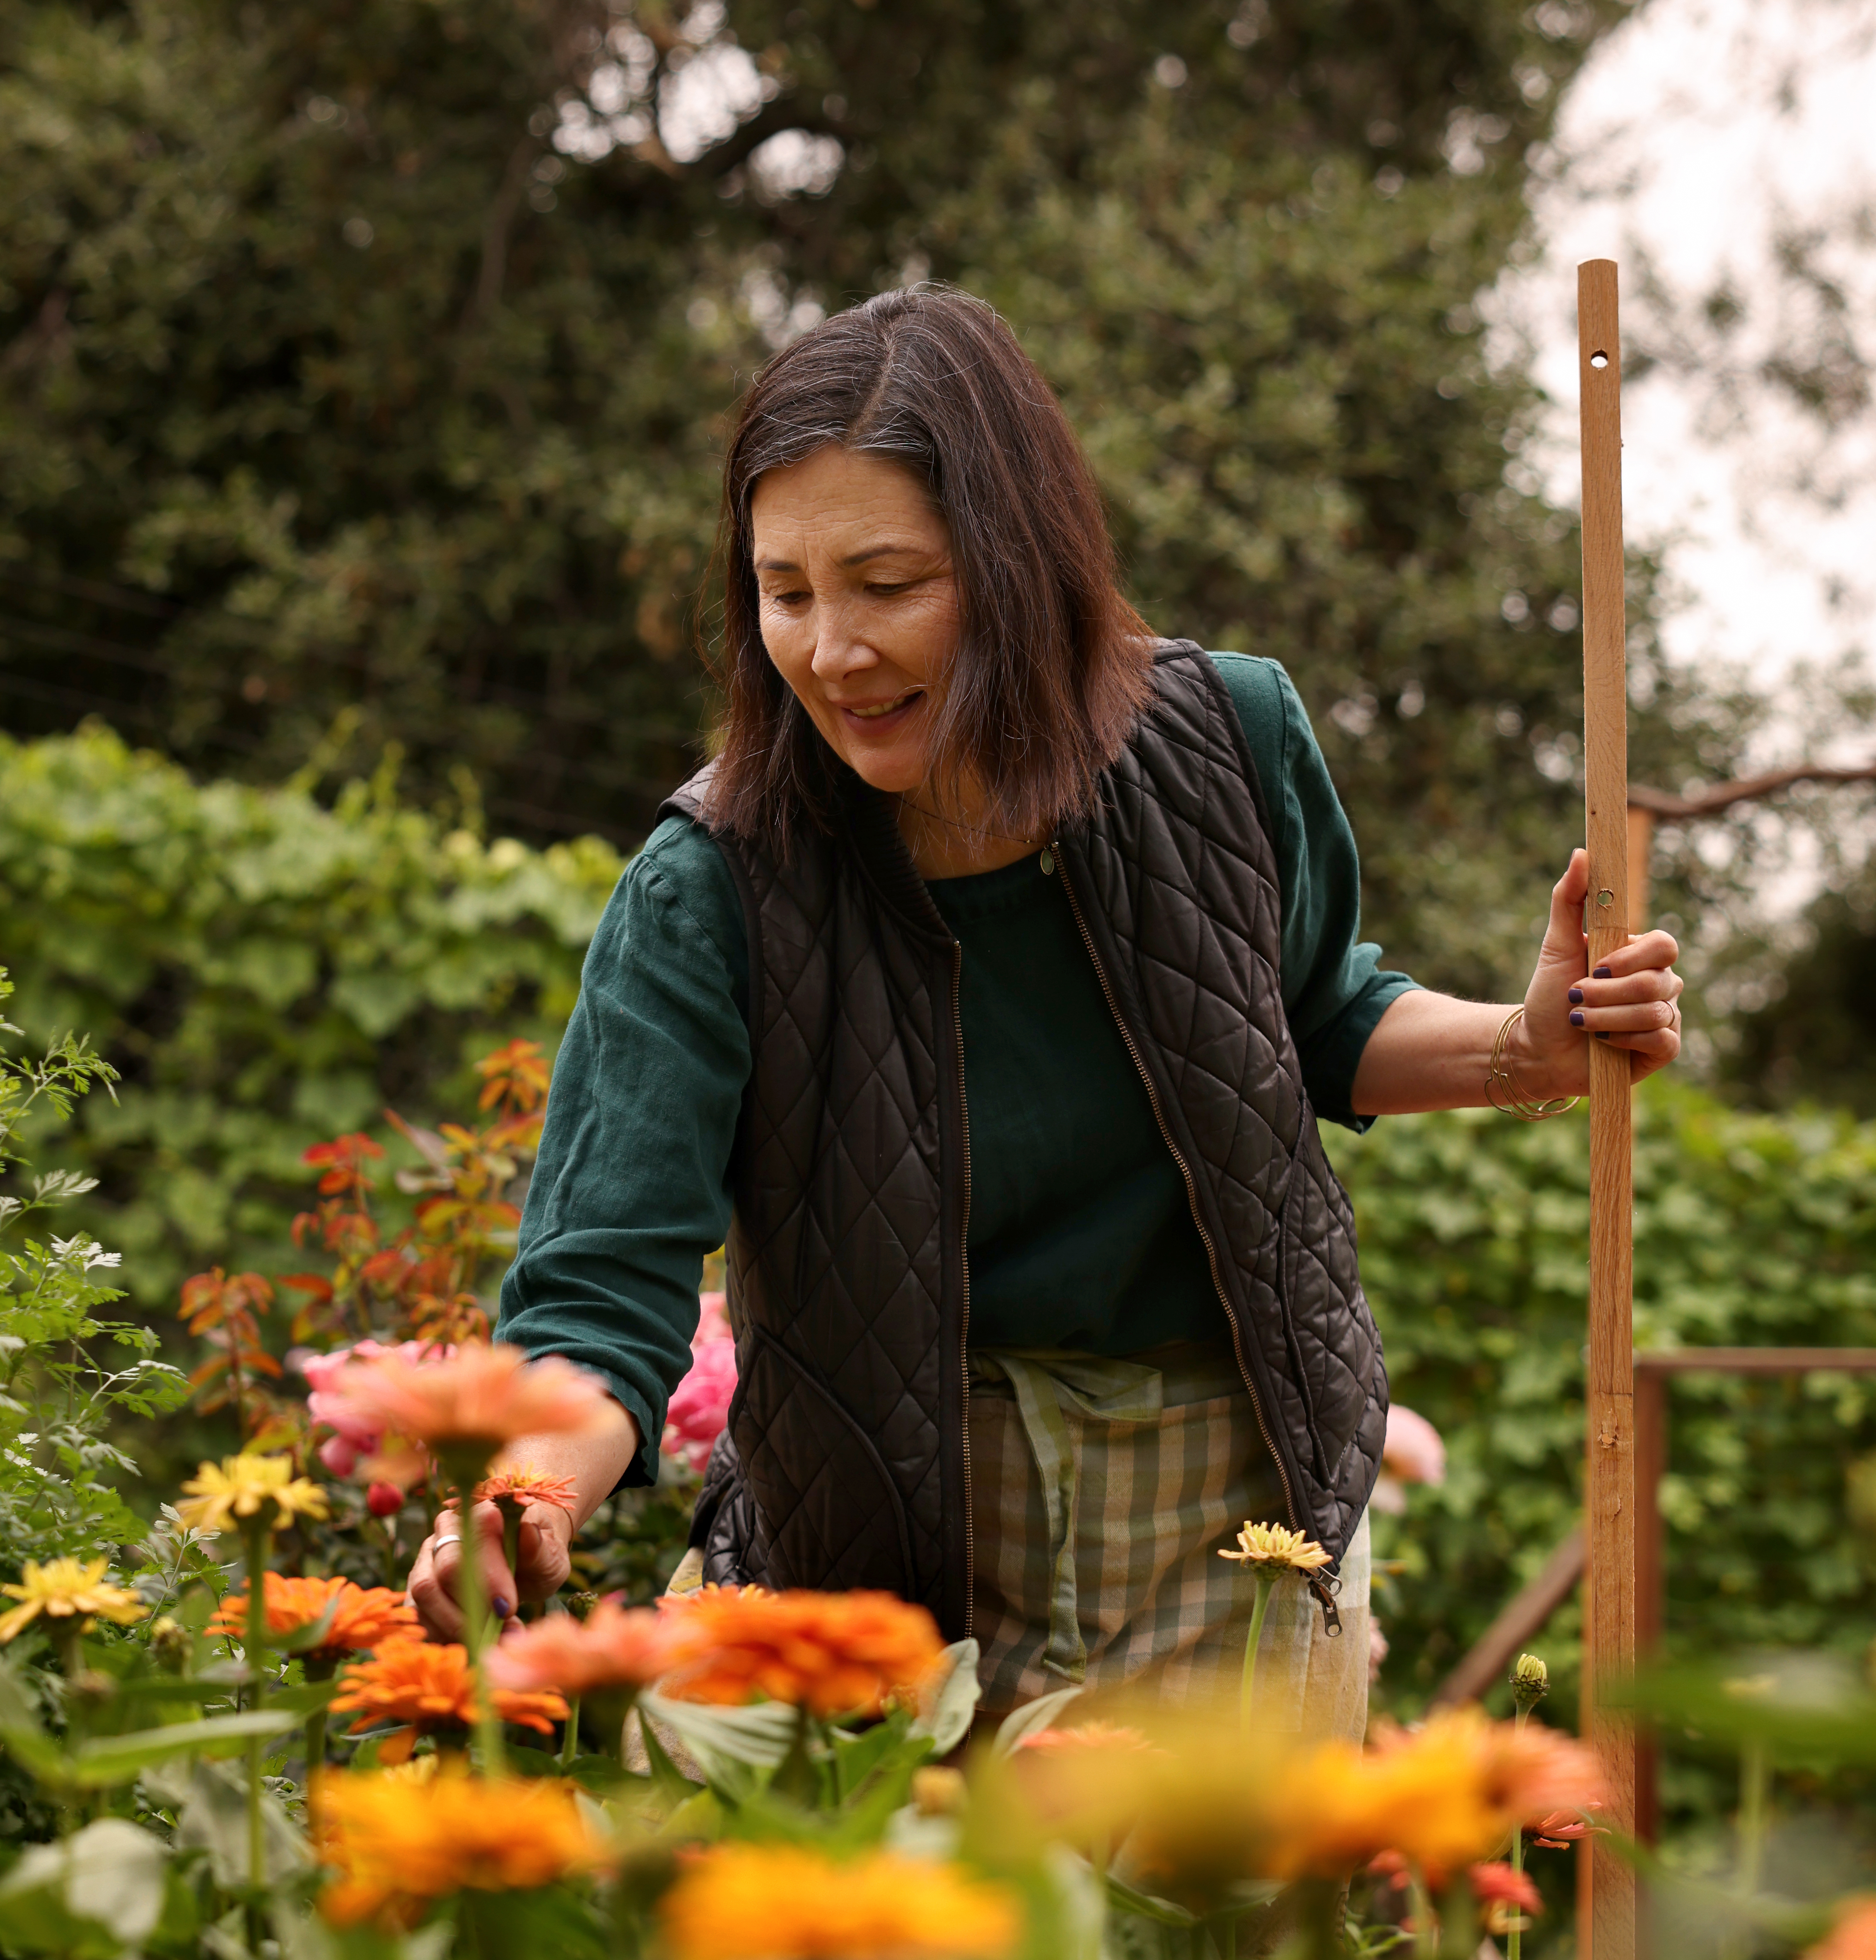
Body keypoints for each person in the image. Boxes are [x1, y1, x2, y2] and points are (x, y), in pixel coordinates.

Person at [408, 287, 1683, 1733]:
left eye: (887, 586)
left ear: (1017, 566)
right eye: (787, 592)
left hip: (1236, 1520)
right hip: (881, 1555)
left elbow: (1315, 1019)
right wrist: (518, 1494)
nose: (831, 651)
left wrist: (1528, 1045)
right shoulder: (710, 887)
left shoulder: (1231, 740)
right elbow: (602, 1279)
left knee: (1222, 1958)